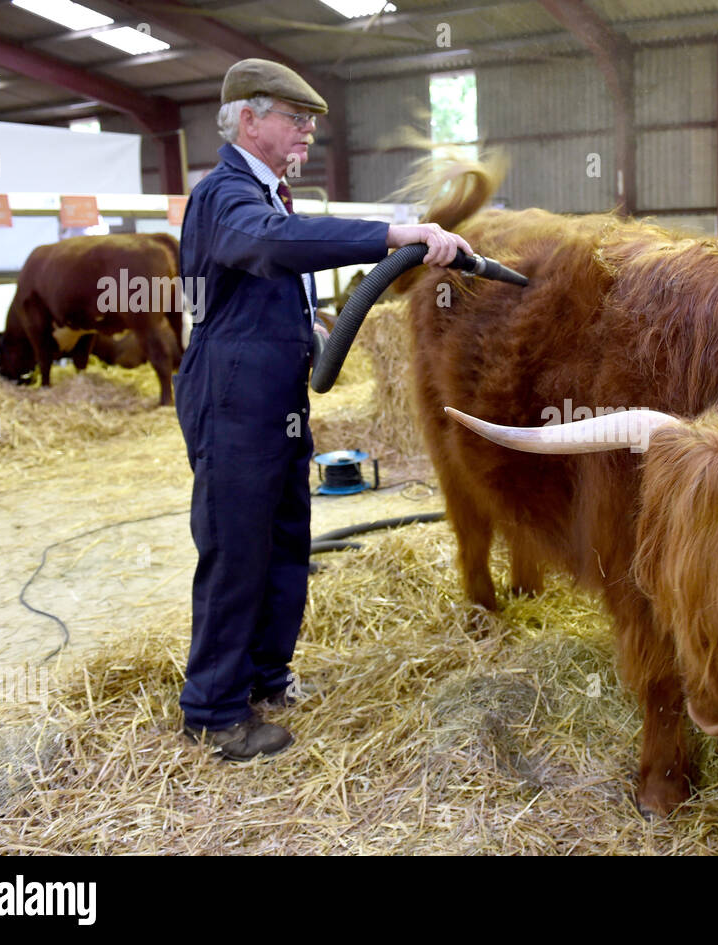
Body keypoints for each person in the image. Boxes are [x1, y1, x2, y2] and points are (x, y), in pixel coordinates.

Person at [176, 58, 471, 759]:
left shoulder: (269, 195)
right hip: (233, 398)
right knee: (237, 548)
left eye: (309, 119)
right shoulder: (225, 194)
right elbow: (268, 247)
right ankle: (214, 709)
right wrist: (395, 233)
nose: (308, 129)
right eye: (294, 116)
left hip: (271, 400)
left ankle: (266, 678)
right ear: (248, 119)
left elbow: (261, 276)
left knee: (284, 540)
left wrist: (305, 326)